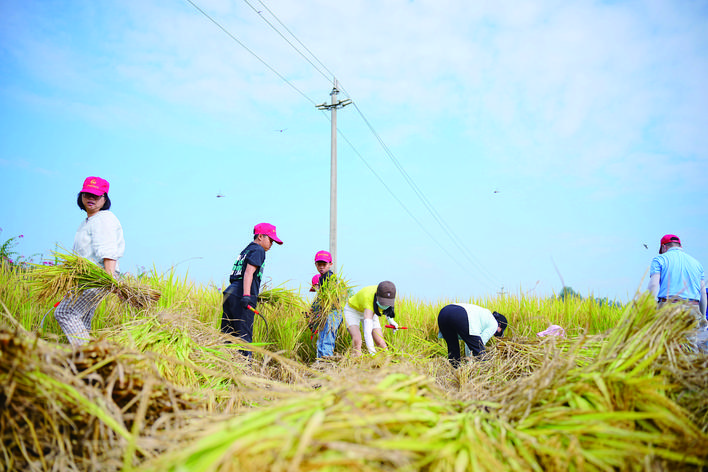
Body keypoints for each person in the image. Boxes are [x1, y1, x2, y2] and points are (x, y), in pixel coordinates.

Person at [55, 176, 125, 346]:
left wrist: (108, 279)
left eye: (96, 196)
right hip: (88, 278)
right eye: (87, 194)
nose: (91, 199)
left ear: (104, 198)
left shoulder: (103, 219)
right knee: (83, 321)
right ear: (81, 196)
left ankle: (88, 359)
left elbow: (108, 250)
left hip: (97, 277)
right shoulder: (90, 220)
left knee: (65, 313)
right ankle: (90, 366)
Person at [221, 223, 283, 358]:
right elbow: (248, 273)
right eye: (270, 240)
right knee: (244, 338)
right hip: (241, 296)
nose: (272, 244)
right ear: (260, 236)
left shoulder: (246, 250)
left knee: (228, 335)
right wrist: (247, 295)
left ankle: (224, 364)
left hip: (230, 293)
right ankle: (246, 371)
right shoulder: (259, 250)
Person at [647, 234, 707, 348]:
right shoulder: (697, 264)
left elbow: (654, 284)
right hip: (692, 309)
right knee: (690, 348)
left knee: (665, 348)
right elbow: (703, 293)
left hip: (668, 307)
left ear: (664, 247)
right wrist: (703, 316)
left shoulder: (660, 259)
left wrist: (648, 308)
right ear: (680, 246)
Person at [437, 303, 508, 367]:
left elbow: (469, 342)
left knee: (453, 350)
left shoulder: (485, 315)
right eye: (500, 331)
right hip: (461, 314)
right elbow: (479, 344)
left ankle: (455, 373)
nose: (496, 334)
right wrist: (470, 363)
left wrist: (469, 359)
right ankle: (484, 375)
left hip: (444, 313)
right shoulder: (494, 324)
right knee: (481, 354)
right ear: (500, 324)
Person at [343, 281, 398, 355]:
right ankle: (357, 361)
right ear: (376, 295)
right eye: (383, 302)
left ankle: (388, 360)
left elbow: (387, 308)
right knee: (357, 340)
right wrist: (372, 353)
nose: (385, 305)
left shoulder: (389, 292)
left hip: (372, 310)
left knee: (381, 341)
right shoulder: (368, 298)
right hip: (352, 311)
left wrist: (391, 320)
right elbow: (367, 332)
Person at [309, 250, 344, 358]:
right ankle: (320, 363)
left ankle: (326, 363)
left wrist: (315, 312)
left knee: (327, 340)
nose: (321, 267)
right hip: (327, 313)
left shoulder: (329, 277)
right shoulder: (322, 278)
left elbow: (325, 298)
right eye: (319, 264)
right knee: (322, 340)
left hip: (332, 313)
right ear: (315, 265)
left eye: (324, 264)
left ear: (330, 265)